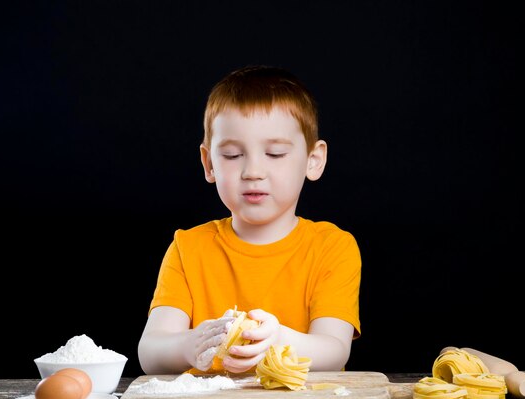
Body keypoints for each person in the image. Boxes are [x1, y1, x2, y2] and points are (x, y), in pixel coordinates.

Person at [138, 65, 361, 375]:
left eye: (275, 153)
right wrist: (190, 344)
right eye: (232, 155)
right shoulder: (188, 249)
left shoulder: (332, 247)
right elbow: (150, 353)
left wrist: (279, 339)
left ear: (313, 160)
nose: (252, 171)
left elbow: (335, 350)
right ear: (209, 163)